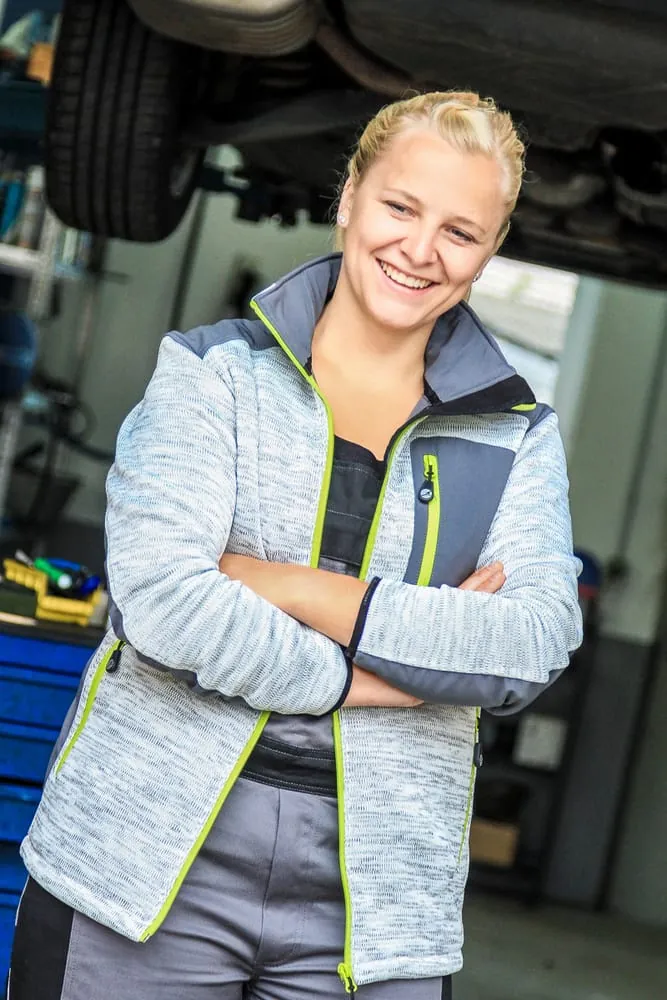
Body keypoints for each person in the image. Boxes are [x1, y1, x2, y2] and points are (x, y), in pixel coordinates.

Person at [10, 90, 583, 1000]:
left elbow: (529, 643)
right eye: (400, 207)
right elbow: (165, 602)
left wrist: (293, 589)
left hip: (378, 904)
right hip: (141, 864)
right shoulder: (211, 376)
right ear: (349, 196)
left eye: (459, 231)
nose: (419, 250)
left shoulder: (515, 436)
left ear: (489, 250)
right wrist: (380, 679)